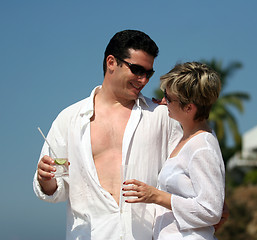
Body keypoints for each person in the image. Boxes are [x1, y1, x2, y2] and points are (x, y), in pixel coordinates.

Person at [33, 30, 227, 240]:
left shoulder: (162, 115)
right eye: (137, 70)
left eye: (149, 73)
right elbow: (56, 190)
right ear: (111, 63)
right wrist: (46, 180)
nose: (143, 80)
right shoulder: (69, 119)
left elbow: (198, 182)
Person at [123, 62, 225, 239]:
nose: (163, 101)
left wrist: (156, 196)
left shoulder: (202, 147)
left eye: (169, 98)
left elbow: (211, 210)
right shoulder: (187, 138)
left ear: (189, 108)